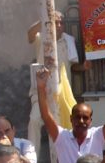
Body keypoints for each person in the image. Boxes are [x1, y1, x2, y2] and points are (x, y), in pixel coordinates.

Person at [26, 10, 86, 153]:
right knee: (34, 121)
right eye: (55, 22)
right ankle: (31, 162)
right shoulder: (42, 38)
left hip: (62, 94)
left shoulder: (68, 40)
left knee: (61, 129)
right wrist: (45, 17)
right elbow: (29, 36)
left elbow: (72, 66)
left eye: (61, 23)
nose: (59, 25)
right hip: (42, 93)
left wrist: (84, 67)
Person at [36, 68, 105, 163]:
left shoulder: (97, 135)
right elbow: (46, 116)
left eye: (85, 118)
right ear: (71, 119)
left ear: (90, 121)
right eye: (77, 117)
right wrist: (41, 87)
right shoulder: (62, 137)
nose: (81, 121)